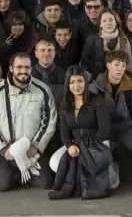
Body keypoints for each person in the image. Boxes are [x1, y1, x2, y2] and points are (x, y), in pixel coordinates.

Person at [0, 52, 58, 192]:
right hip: (3, 149)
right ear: (11, 69)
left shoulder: (42, 90)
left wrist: (36, 145)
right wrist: (3, 149)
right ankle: (13, 170)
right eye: (19, 67)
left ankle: (21, 168)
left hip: (30, 149)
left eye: (27, 67)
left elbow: (49, 122)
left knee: (46, 182)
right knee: (3, 185)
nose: (23, 71)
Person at [47, 67, 113, 200]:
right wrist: (70, 145)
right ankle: (74, 185)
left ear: (86, 82)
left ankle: (76, 188)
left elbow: (104, 130)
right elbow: (64, 133)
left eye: (80, 81)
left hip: (97, 143)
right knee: (55, 162)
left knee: (83, 159)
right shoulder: (65, 105)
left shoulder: (97, 100)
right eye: (72, 82)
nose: (76, 86)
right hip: (75, 144)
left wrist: (85, 148)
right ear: (67, 84)